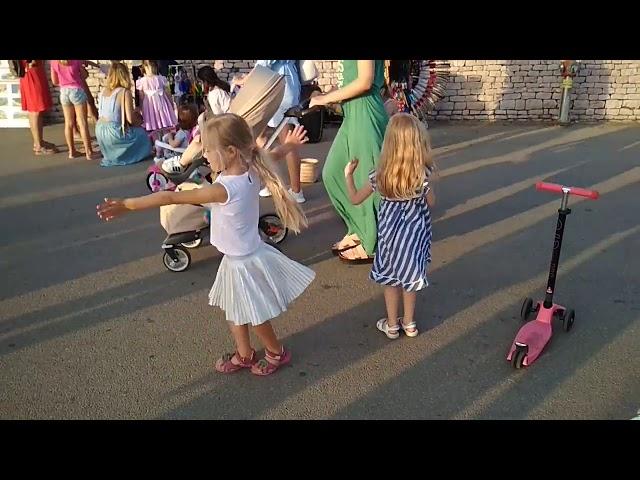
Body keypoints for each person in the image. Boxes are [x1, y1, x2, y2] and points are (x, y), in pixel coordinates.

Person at [96, 113, 315, 376]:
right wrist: (289, 145)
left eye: (208, 150)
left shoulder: (223, 189)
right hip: (236, 260)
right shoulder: (253, 168)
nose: (205, 155)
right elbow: (275, 154)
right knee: (235, 308)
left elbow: (170, 197)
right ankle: (244, 354)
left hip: (244, 262)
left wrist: (128, 205)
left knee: (255, 314)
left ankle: (276, 353)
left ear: (231, 151)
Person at [344, 113, 436, 339]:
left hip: (390, 237)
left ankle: (393, 324)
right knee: (410, 276)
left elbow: (355, 199)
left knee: (391, 277)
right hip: (415, 235)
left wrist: (348, 176)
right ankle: (410, 323)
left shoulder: (380, 175)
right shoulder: (421, 173)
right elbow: (431, 202)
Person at [310, 60, 389, 264]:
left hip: (366, 113)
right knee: (333, 173)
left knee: (367, 180)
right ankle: (358, 228)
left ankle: (372, 242)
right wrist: (324, 95)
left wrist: (325, 98)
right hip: (351, 113)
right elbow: (349, 80)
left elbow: (364, 81)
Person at [237, 60, 305, 204]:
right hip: (286, 85)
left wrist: (244, 80)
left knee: (284, 138)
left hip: (275, 89)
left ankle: (295, 190)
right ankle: (272, 183)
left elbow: (263, 64)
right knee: (263, 136)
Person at [95, 62, 152, 167]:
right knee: (142, 135)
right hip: (112, 132)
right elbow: (130, 119)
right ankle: (129, 155)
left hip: (99, 130)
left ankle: (112, 154)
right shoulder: (124, 92)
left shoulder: (104, 91)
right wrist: (140, 122)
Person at [50, 60, 99, 160]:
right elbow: (84, 75)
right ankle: (89, 152)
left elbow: (55, 81)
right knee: (82, 122)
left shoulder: (54, 62)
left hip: (64, 91)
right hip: (76, 90)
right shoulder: (75, 60)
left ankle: (72, 151)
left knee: (68, 123)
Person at [18, 60, 57, 155]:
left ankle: (38, 141)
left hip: (32, 72)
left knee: (35, 110)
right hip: (32, 72)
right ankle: (39, 145)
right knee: (35, 110)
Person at [136, 60, 177, 140]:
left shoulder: (160, 79)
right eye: (148, 67)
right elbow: (141, 96)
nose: (150, 69)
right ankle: (161, 141)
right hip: (152, 105)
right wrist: (141, 107)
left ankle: (162, 141)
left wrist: (171, 103)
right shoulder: (143, 80)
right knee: (158, 122)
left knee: (160, 122)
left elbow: (167, 92)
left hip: (156, 104)